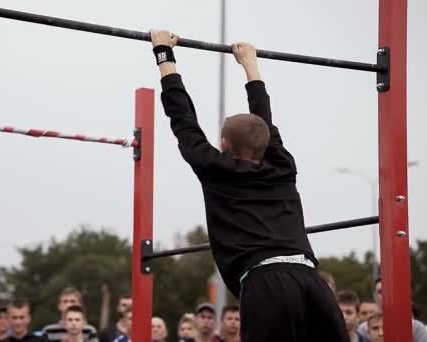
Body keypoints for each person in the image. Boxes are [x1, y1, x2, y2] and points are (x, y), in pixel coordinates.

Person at [148, 29, 348, 342]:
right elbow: (264, 121)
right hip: (312, 281)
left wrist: (164, 53)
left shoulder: (216, 169)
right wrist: (250, 65)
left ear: (224, 143)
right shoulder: (283, 166)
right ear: (265, 145)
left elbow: (183, 120)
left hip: (266, 284)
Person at [356, 277, 427, 342]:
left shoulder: (417, 328)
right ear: (375, 296)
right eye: (380, 291)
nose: (386, 294)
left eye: (390, 290)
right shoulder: (363, 329)